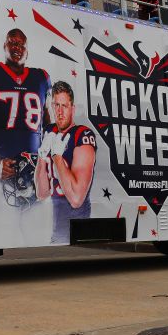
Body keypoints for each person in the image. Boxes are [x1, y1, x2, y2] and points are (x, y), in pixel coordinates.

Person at [0, 29, 52, 245]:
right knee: (3, 237)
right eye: (12, 43)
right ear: (4, 46)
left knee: (40, 240)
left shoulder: (41, 77)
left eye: (21, 44)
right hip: (5, 175)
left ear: (27, 50)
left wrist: (50, 161)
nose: (16, 47)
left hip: (36, 173)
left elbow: (50, 127)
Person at [36, 81, 97, 244]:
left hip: (76, 225)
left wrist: (56, 156)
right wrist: (42, 159)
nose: (60, 112)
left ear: (73, 108)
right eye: (56, 105)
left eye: (64, 106)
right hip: (56, 226)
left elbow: (76, 199)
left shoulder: (82, 135)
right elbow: (42, 193)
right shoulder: (49, 131)